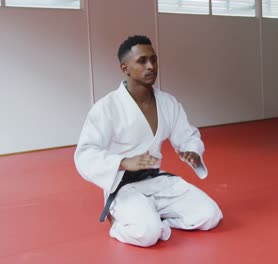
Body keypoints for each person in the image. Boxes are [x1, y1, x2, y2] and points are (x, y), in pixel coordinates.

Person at [74, 35, 223, 247]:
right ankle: (118, 222)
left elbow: (187, 135)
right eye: (142, 61)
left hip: (157, 180)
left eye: (154, 60)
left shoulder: (168, 103)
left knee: (210, 215)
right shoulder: (107, 107)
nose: (151, 66)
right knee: (147, 234)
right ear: (125, 68)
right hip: (123, 185)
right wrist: (124, 162)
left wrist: (192, 151)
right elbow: (85, 153)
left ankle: (152, 216)